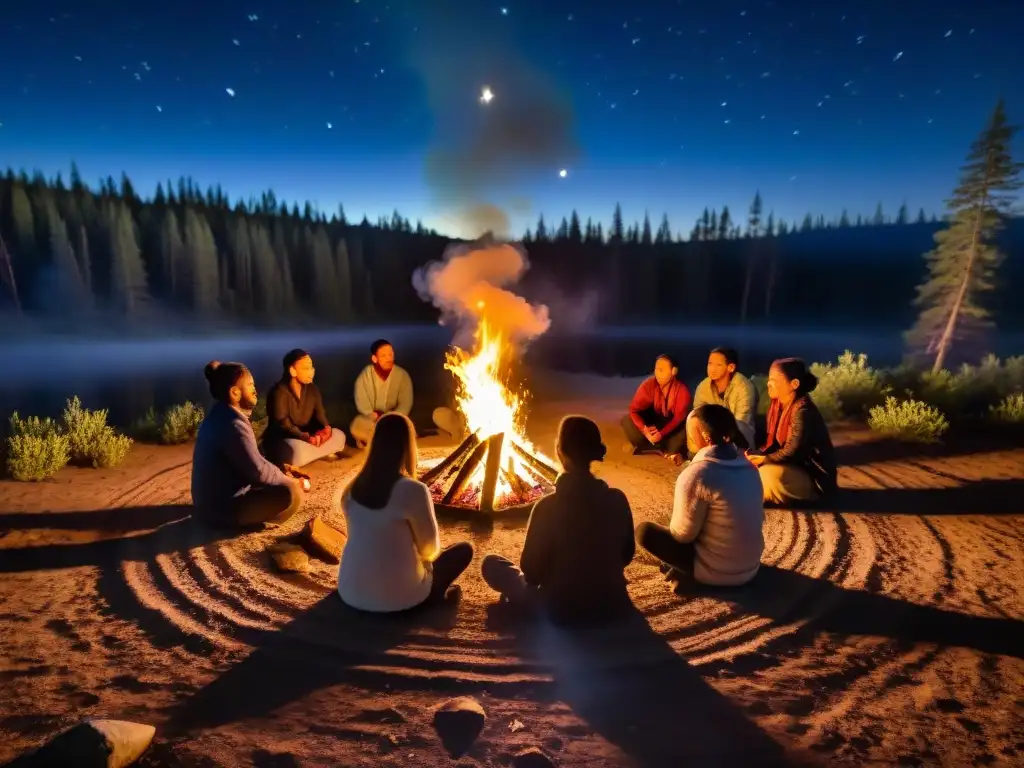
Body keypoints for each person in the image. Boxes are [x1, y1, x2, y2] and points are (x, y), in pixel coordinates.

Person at [481, 416, 636, 626]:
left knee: (491, 565)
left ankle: (525, 611)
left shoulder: (547, 507)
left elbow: (532, 574)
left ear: (559, 451)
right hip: (612, 603)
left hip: (561, 609)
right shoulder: (618, 499)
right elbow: (626, 555)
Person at [336, 412, 474, 613]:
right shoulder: (413, 490)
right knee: (463, 550)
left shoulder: (351, 489)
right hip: (398, 599)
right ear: (407, 446)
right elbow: (430, 550)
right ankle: (429, 597)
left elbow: (357, 537)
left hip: (350, 592)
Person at [635, 404, 764, 587]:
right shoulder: (749, 467)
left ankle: (691, 576)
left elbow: (682, 536)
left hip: (719, 572)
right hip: (750, 568)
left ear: (703, 435)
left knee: (644, 531)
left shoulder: (698, 473)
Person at [191, 361, 305, 528]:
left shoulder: (222, 413)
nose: (255, 391)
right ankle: (248, 522)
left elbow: (250, 461)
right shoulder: (233, 424)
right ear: (235, 393)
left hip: (209, 503)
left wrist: (280, 470)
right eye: (250, 385)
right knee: (291, 493)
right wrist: (288, 480)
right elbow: (257, 470)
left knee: (278, 479)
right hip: (220, 510)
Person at [747, 357, 838, 506]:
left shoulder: (802, 410)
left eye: (775, 380)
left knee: (769, 476)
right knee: (749, 470)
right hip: (790, 467)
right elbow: (771, 443)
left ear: (794, 384)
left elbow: (792, 451)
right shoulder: (777, 405)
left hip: (811, 476)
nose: (769, 384)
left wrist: (765, 459)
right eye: (769, 379)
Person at [350, 339, 462, 447]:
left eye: (390, 355)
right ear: (374, 358)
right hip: (375, 420)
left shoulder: (401, 375)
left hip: (398, 419)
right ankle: (380, 440)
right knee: (357, 425)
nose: (388, 358)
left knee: (436, 415)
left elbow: (405, 404)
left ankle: (383, 440)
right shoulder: (366, 376)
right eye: (383, 356)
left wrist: (392, 417)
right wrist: (371, 414)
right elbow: (361, 400)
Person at [262, 349, 347, 468]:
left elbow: (320, 414)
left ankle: (314, 453)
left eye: (312, 368)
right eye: (306, 368)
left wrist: (326, 430)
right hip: (286, 440)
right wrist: (303, 436)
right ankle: (317, 454)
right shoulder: (278, 392)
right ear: (292, 371)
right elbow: (283, 423)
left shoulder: (312, 389)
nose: (311, 372)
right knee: (297, 452)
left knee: (339, 435)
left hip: (310, 439)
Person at [622, 354, 692, 465]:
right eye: (656, 369)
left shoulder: (682, 391)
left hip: (671, 427)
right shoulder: (649, 385)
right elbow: (634, 410)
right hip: (654, 423)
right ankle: (655, 446)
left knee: (685, 430)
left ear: (673, 371)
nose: (657, 373)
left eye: (661, 370)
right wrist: (644, 429)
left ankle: (656, 447)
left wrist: (661, 434)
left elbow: (679, 418)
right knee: (627, 421)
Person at [686, 347, 757, 457]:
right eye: (710, 364)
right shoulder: (704, 387)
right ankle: (701, 456)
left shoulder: (744, 387)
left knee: (739, 425)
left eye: (718, 365)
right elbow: (699, 415)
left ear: (731, 367)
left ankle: (732, 457)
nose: (712, 369)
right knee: (693, 418)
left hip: (738, 436)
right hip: (712, 435)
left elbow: (742, 422)